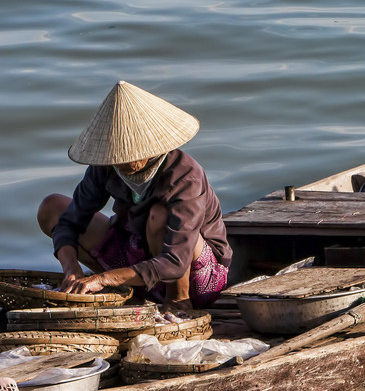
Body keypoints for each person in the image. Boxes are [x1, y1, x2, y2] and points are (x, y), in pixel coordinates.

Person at [37, 81, 232, 309]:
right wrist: (72, 270)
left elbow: (176, 262)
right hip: (137, 253)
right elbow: (69, 222)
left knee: (159, 216)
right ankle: (129, 291)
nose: (119, 162)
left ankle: (177, 303)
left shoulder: (185, 176)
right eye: (115, 154)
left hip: (194, 277)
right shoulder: (107, 166)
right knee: (53, 207)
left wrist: (103, 278)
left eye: (129, 153)